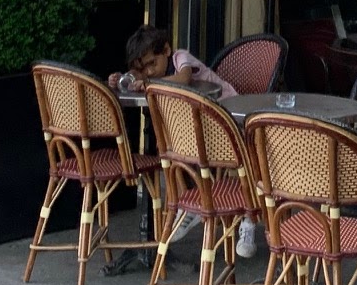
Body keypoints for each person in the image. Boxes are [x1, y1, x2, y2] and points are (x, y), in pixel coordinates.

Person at [110, 26, 258, 256]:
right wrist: (125, 78)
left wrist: (150, 84)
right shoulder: (151, 74)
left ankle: (249, 221)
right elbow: (140, 76)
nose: (150, 71)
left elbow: (184, 78)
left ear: (166, 50)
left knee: (247, 163)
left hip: (228, 118)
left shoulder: (181, 57)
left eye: (152, 63)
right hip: (199, 129)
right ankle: (189, 204)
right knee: (170, 147)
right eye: (143, 68)